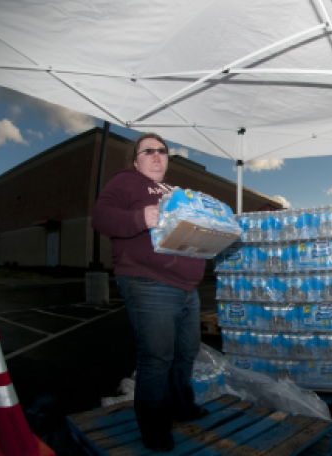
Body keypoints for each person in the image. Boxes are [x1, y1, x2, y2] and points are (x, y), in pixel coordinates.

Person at [92, 133, 208, 452]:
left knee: (186, 353)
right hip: (149, 282)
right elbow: (100, 217)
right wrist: (140, 217)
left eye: (162, 150)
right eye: (148, 151)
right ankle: (154, 428)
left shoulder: (175, 192)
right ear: (135, 160)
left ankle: (182, 407)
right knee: (157, 357)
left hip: (187, 287)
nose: (156, 155)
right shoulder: (126, 182)